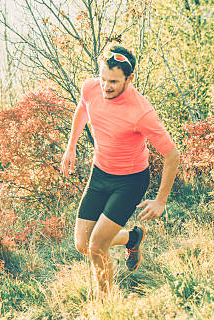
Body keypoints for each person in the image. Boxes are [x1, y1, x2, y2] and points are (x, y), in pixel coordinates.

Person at [60, 44, 180, 297]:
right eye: (103, 79)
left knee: (97, 245)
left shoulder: (141, 111)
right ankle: (131, 238)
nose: (106, 86)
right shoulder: (90, 87)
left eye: (113, 81)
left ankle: (105, 306)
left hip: (130, 181)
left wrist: (161, 201)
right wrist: (70, 147)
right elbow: (83, 107)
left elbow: (172, 154)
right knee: (82, 244)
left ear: (129, 78)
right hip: (100, 173)